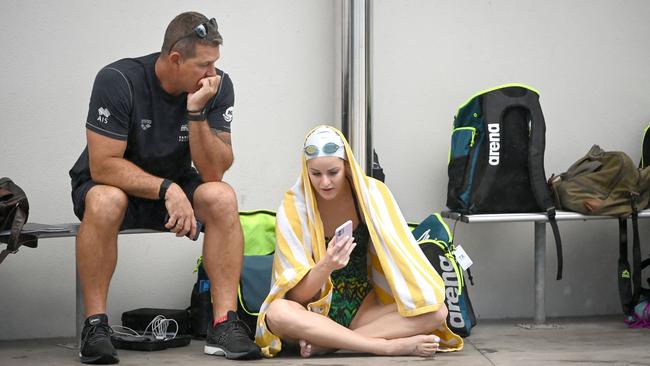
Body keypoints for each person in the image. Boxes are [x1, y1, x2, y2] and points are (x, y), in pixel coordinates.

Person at [68, 11, 261, 364]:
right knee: (105, 200)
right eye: (203, 65)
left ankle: (223, 323)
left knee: (221, 197)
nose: (212, 74)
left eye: (215, 63)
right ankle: (95, 326)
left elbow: (214, 171)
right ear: (175, 59)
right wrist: (168, 190)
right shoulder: (118, 80)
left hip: (173, 185)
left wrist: (197, 113)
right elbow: (103, 164)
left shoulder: (216, 86)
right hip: (114, 185)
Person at [255, 125, 464, 358]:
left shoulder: (373, 194)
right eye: (316, 174)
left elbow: (401, 255)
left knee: (436, 311)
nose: (325, 182)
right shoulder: (294, 207)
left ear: (346, 165)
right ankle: (383, 346)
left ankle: (330, 344)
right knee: (278, 312)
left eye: (332, 172)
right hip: (312, 314)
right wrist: (327, 265)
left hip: (362, 310)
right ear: (306, 171)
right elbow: (295, 297)